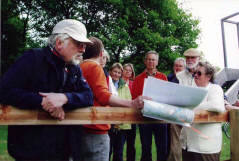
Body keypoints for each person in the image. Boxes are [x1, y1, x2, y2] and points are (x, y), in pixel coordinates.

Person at [0, 19, 94, 161]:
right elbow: (5, 91)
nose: (83, 49)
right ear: (59, 43)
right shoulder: (32, 59)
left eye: (84, 45)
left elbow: (88, 96)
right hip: (31, 150)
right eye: (78, 44)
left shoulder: (74, 68)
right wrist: (43, 101)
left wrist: (65, 98)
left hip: (64, 150)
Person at [80, 37, 148, 161]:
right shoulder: (95, 67)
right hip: (96, 129)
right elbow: (103, 95)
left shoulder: (80, 66)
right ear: (101, 54)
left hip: (80, 126)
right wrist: (132, 103)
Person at [180, 61, 225, 161]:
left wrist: (190, 107)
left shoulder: (215, 89)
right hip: (187, 146)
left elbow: (217, 106)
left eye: (199, 73)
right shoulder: (191, 90)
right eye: (194, 73)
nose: (195, 75)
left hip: (206, 149)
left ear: (208, 76)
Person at [132, 51, 169, 161]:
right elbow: (134, 97)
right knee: (146, 148)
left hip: (160, 117)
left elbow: (167, 96)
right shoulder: (138, 78)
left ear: (157, 62)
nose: (151, 62)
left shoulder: (163, 77)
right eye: (149, 59)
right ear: (145, 61)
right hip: (144, 117)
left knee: (162, 148)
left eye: (153, 60)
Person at [108, 63, 135, 161]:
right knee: (108, 151)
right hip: (108, 122)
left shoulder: (125, 86)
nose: (116, 74)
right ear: (110, 72)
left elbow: (129, 102)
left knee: (118, 152)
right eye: (115, 71)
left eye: (119, 72)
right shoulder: (106, 84)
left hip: (122, 124)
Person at [167, 57, 186, 161]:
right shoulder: (169, 78)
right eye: (176, 66)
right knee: (175, 140)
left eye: (180, 66)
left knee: (185, 142)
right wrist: (176, 77)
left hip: (187, 113)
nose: (178, 68)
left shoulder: (189, 77)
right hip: (173, 114)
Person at [122, 63, 136, 161]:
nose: (127, 72)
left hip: (133, 116)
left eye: (129, 70)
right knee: (120, 142)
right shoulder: (118, 83)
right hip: (121, 115)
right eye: (126, 70)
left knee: (131, 142)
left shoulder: (134, 83)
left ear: (132, 73)